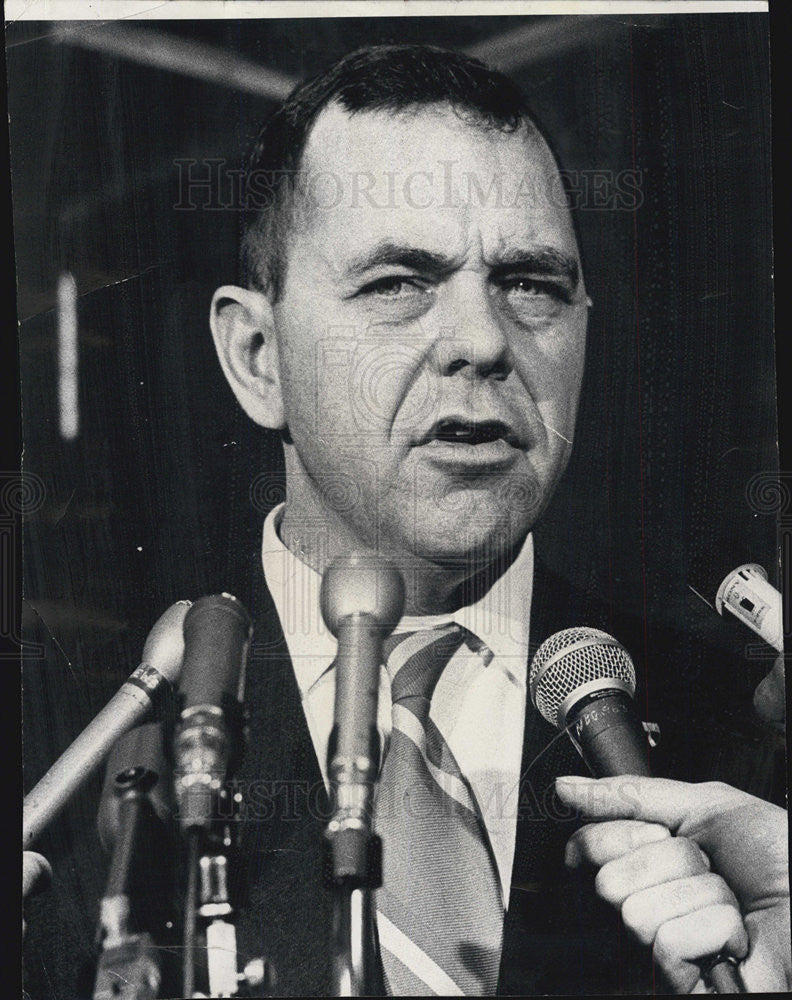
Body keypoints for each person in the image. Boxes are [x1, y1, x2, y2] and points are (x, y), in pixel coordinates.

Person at [24, 43, 789, 997]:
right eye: (398, 283)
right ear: (259, 357)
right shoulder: (58, 753)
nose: (481, 341)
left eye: (533, 285)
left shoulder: (746, 740)